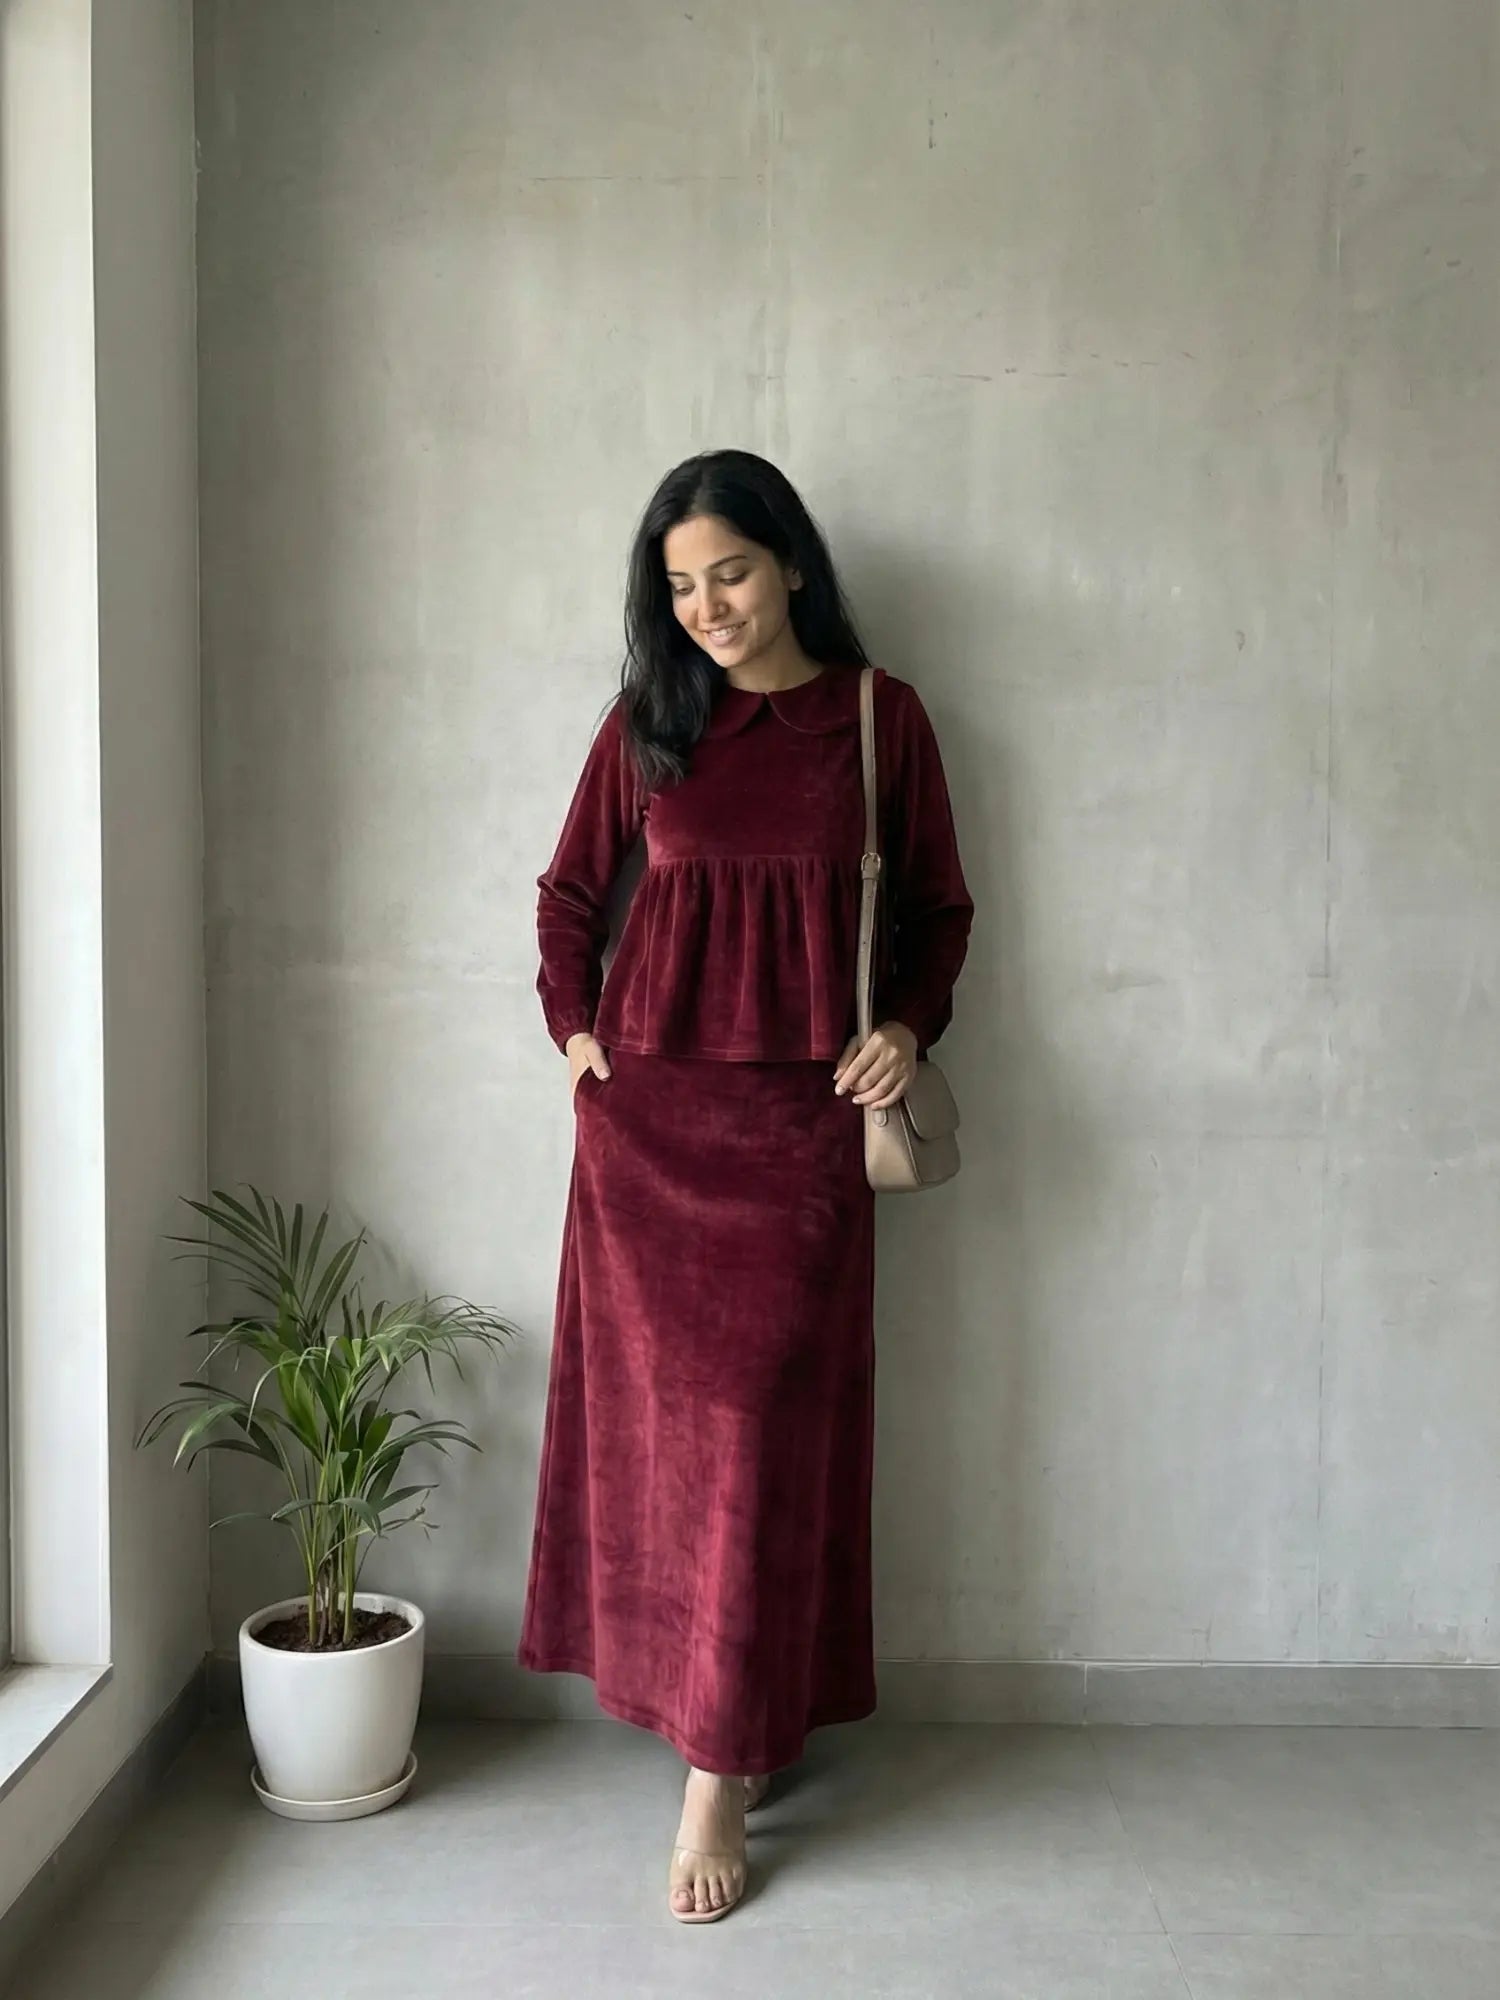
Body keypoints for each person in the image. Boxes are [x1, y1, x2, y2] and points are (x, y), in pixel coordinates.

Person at [517, 448, 974, 1924]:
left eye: (728, 570)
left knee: (765, 1444)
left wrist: (905, 1026)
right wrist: (576, 1034)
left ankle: (725, 1763)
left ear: (788, 565)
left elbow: (939, 911)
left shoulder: (876, 718)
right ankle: (716, 1730)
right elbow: (569, 894)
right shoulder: (651, 725)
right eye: (678, 584)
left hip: (802, 1140)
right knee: (665, 1450)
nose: (706, 605)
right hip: (648, 1132)